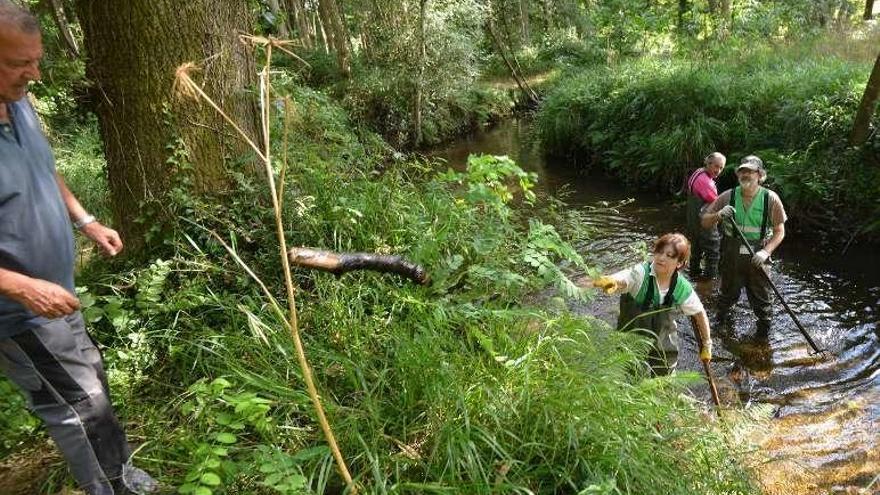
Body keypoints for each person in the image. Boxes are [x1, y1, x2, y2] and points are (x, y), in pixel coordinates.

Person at [0, 3, 159, 494]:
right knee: (78, 403)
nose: (35, 73)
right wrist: (23, 287)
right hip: (18, 311)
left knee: (91, 380)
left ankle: (119, 471)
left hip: (56, 292)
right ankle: (110, 486)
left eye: (36, 59)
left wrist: (85, 221)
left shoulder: (18, 103)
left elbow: (45, 167)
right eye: (19, 64)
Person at [592, 233, 713, 375]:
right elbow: (624, 278)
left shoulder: (681, 287)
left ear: (679, 263)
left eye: (669, 255)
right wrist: (612, 281)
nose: (662, 258)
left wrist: (707, 344)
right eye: (660, 252)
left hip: (663, 341)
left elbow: (699, 313)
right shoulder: (641, 273)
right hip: (632, 338)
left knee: (665, 375)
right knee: (629, 373)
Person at [701, 155, 787, 339]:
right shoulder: (727, 196)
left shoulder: (770, 199)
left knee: (763, 304)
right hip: (730, 256)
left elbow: (780, 231)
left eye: (750, 171)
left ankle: (761, 342)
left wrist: (766, 251)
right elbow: (705, 222)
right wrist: (718, 215)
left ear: (760, 175)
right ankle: (720, 336)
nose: (745, 174)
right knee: (725, 299)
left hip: (758, 258)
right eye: (742, 171)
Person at [686, 152, 725, 279]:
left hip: (693, 221)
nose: (718, 170)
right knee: (713, 251)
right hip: (704, 222)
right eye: (716, 166)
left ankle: (693, 275)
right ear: (708, 164)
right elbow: (716, 203)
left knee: (696, 250)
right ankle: (709, 281)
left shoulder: (698, 172)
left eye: (721, 168)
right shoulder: (706, 182)